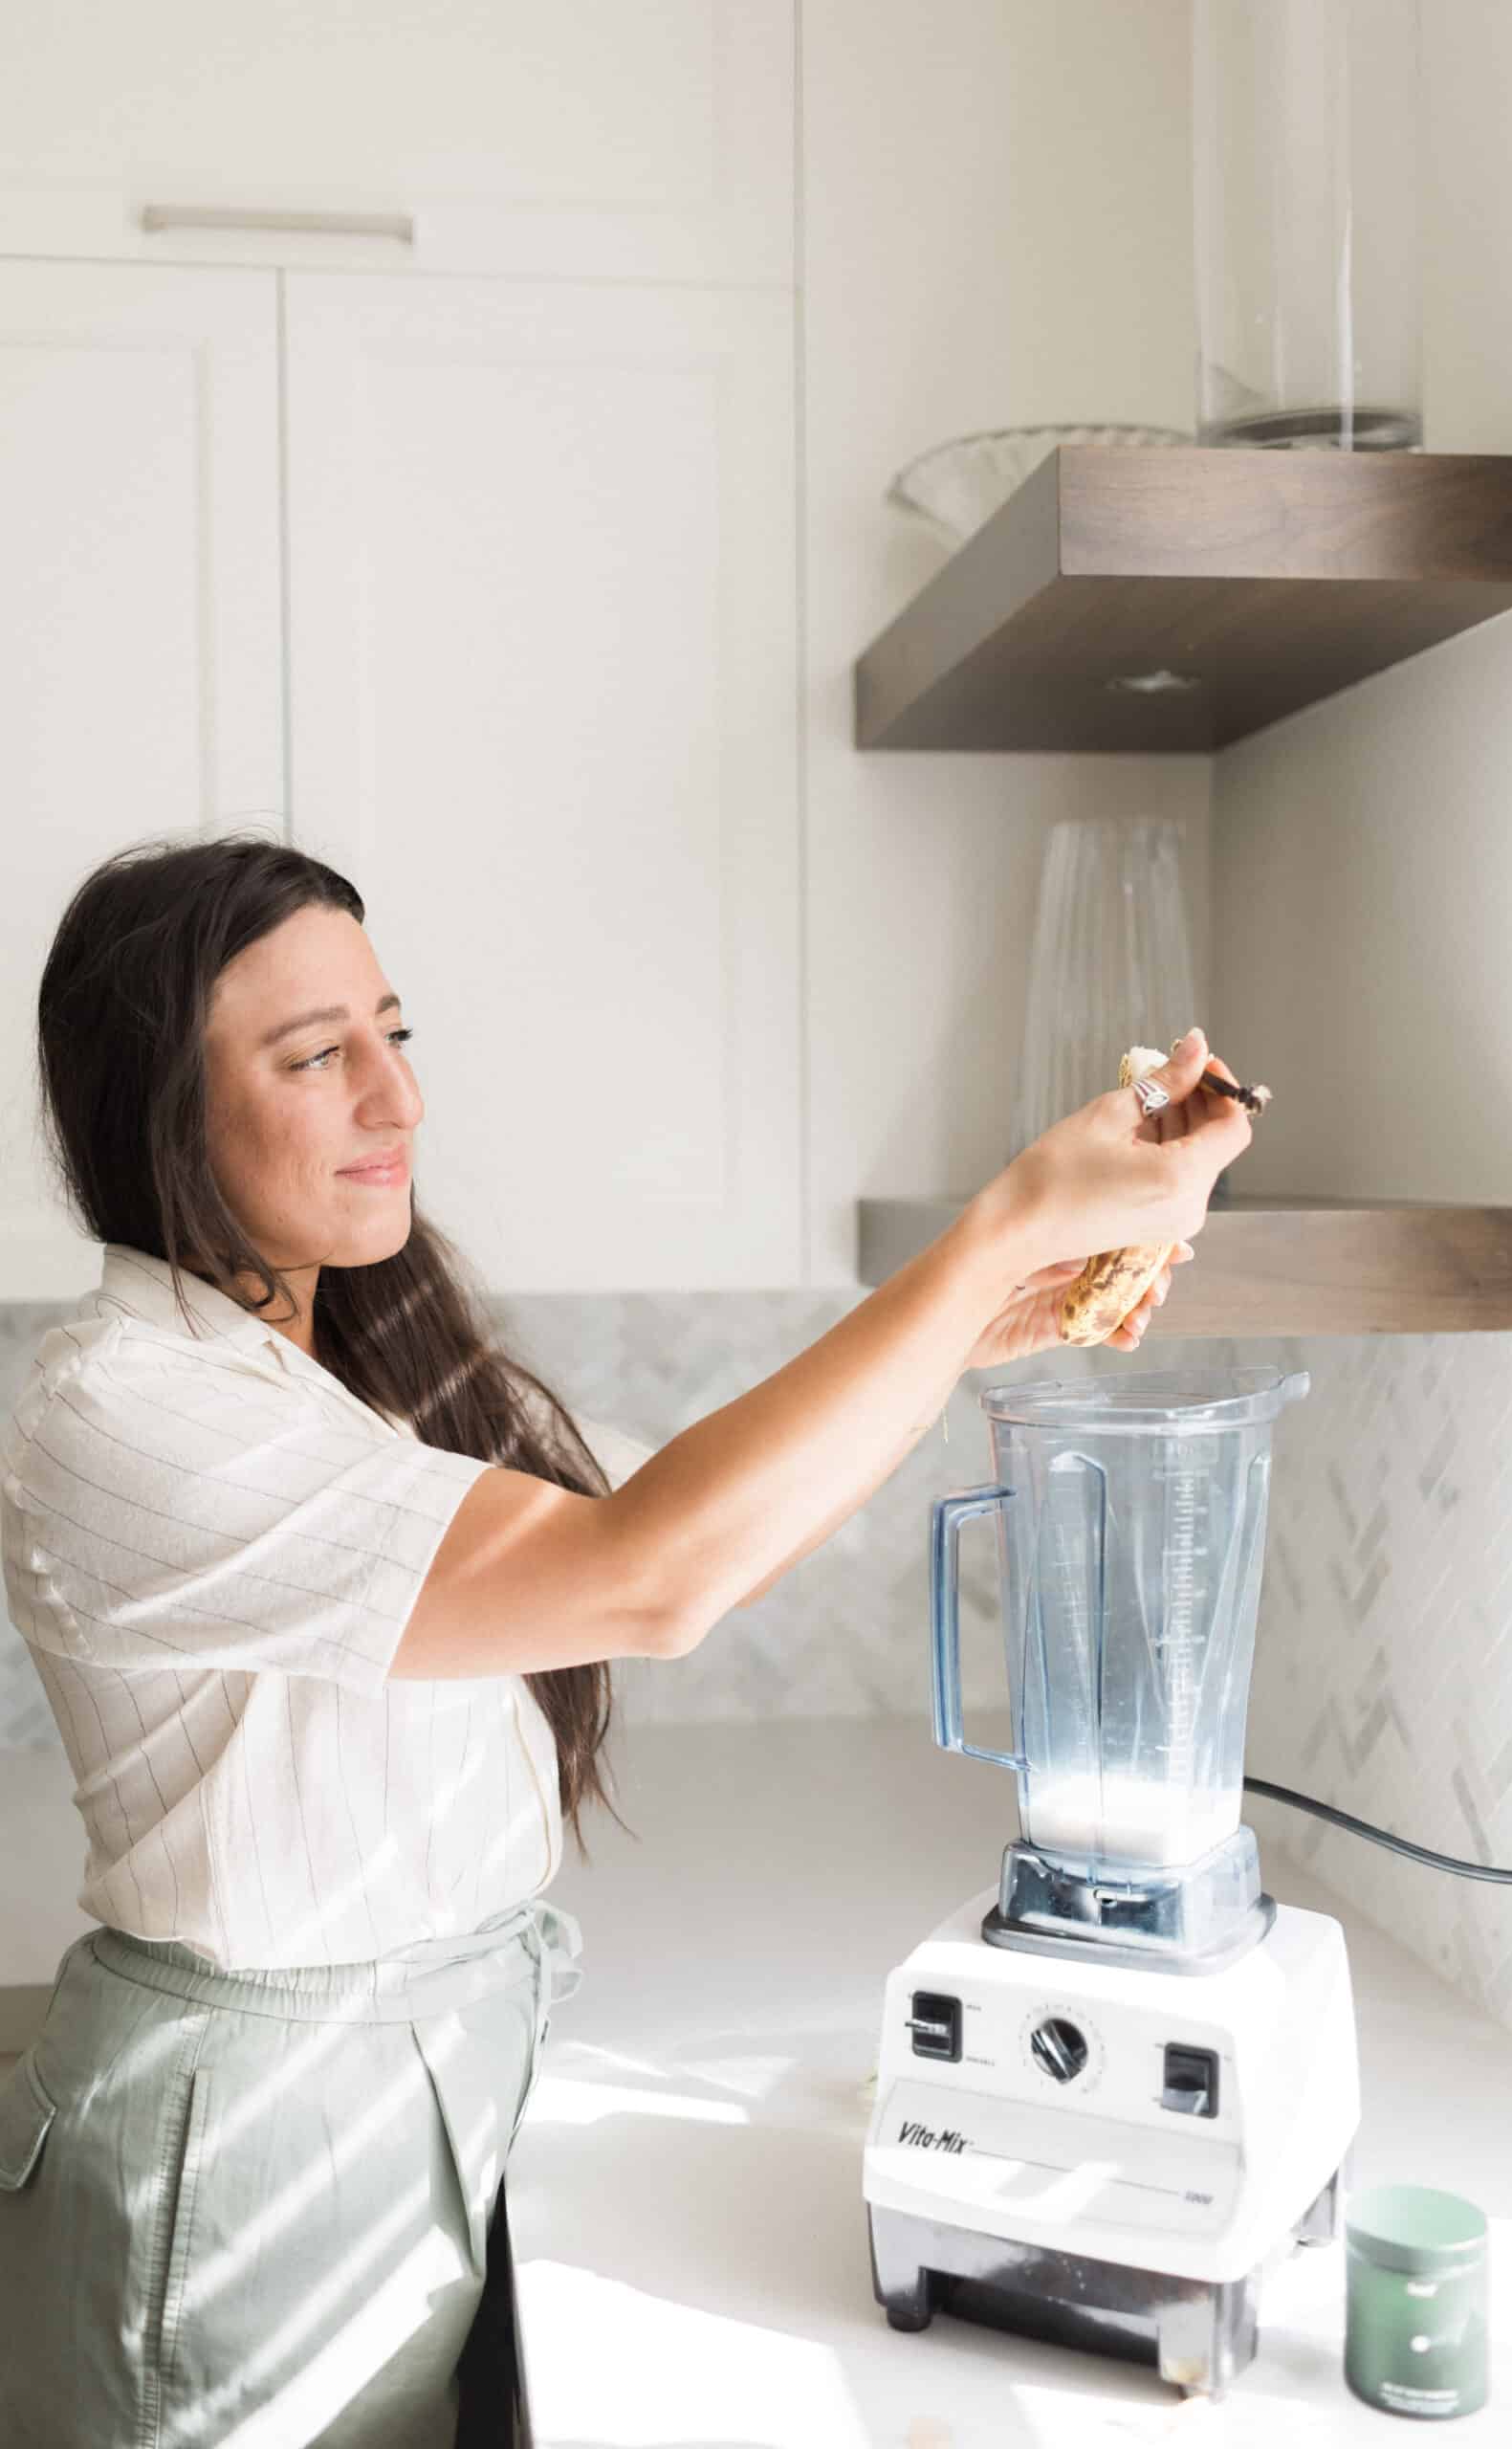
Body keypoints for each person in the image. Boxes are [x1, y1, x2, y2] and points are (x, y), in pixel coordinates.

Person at [0, 830, 1250, 2447]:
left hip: (402, 2086)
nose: (398, 1099)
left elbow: (698, 1529)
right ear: (158, 1114)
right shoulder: (126, 1412)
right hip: (242, 2160)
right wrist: (1001, 1227)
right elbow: (648, 1574)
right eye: (319, 1057)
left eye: (394, 1033)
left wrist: (988, 1319)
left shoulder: (345, 1366)